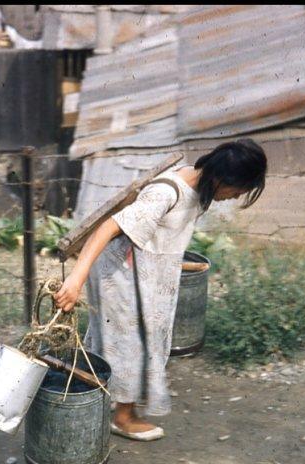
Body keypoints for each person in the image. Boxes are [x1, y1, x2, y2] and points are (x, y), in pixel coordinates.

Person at [53, 139, 267, 441]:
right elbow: (108, 228)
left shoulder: (200, 187)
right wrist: (75, 280)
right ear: (222, 179)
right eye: (238, 191)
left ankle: (106, 403)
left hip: (147, 272)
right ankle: (123, 417)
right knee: (131, 342)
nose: (235, 198)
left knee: (146, 339)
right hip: (121, 272)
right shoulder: (165, 193)